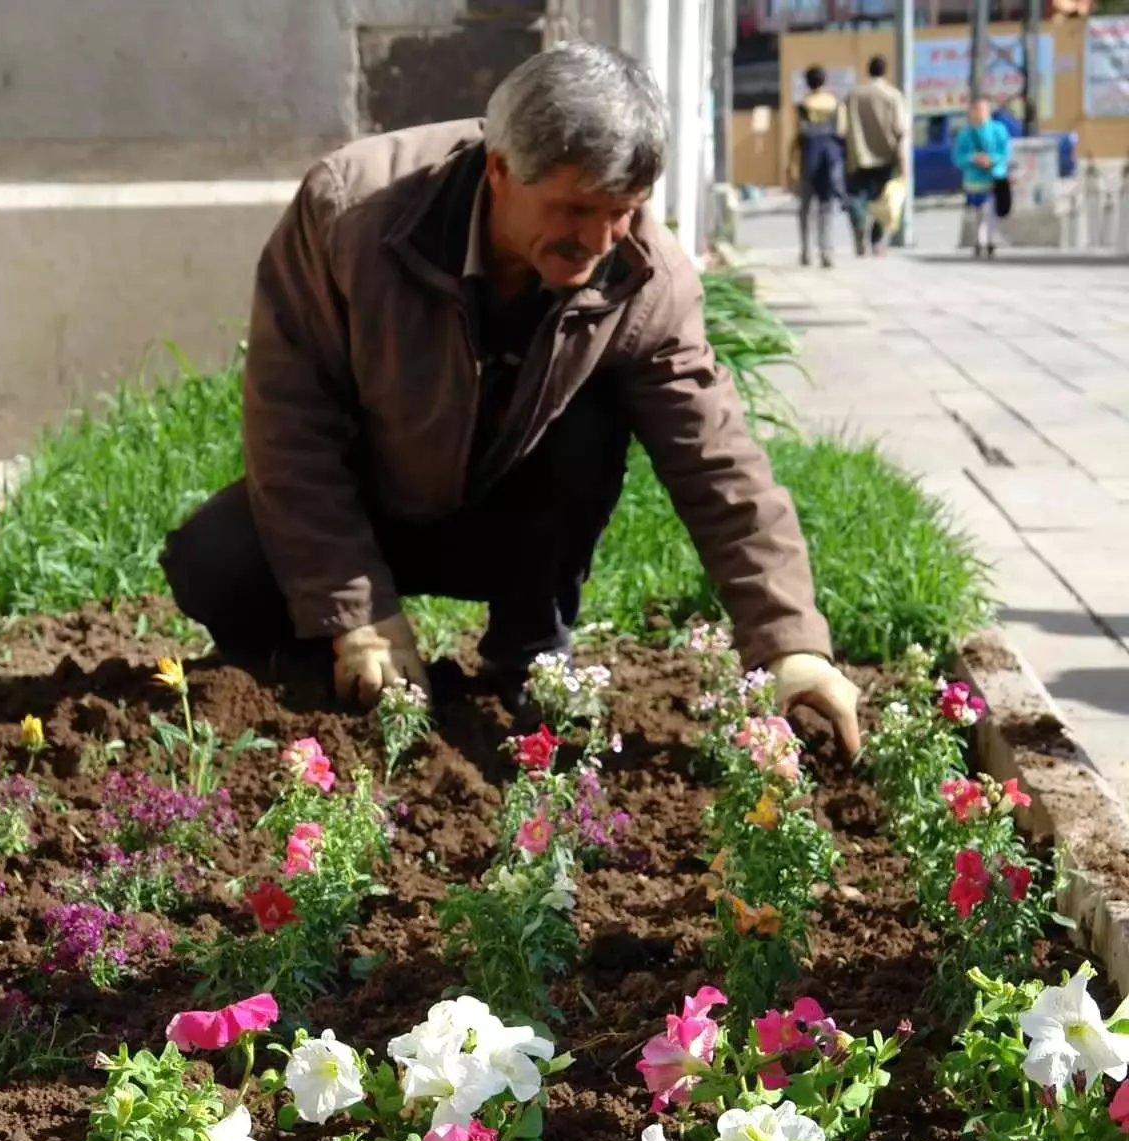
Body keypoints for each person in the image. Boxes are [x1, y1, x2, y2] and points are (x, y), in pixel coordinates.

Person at [162, 42, 860, 754]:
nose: (597, 239)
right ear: (498, 168)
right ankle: (329, 658)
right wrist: (356, 611)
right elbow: (290, 422)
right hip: (371, 503)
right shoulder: (353, 214)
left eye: (621, 210)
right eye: (574, 208)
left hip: (515, 528)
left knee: (595, 412)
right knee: (211, 566)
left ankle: (529, 654)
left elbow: (718, 462)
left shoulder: (646, 278)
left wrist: (789, 641)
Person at [844, 55, 909, 256]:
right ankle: (876, 241)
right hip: (885, 157)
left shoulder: (853, 95)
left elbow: (842, 127)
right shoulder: (893, 96)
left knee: (856, 197)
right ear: (885, 71)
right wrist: (903, 163)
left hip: (858, 156)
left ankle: (859, 225)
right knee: (883, 202)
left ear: (868, 70)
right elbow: (901, 131)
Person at [789, 66, 846, 269]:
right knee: (827, 206)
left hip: (808, 157)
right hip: (829, 158)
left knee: (805, 207)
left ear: (807, 83)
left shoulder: (803, 106)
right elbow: (841, 131)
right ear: (824, 82)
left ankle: (805, 251)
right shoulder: (835, 104)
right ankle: (826, 251)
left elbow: (797, 136)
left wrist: (792, 165)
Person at [953, 97, 1011, 259]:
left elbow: (1006, 152)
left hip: (994, 176)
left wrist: (991, 159)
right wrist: (973, 158)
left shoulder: (998, 130)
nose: (978, 113)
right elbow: (957, 157)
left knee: (989, 210)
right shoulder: (965, 134)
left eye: (982, 109)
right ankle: (980, 240)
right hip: (973, 179)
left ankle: (988, 241)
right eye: (975, 110)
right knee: (977, 211)